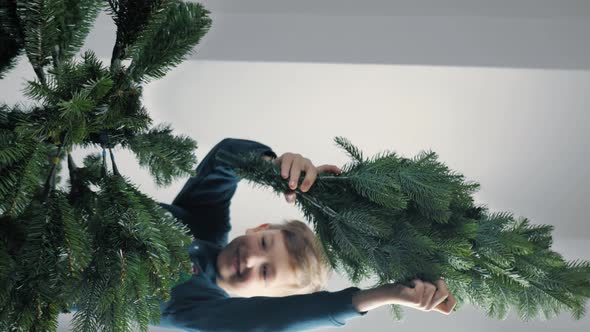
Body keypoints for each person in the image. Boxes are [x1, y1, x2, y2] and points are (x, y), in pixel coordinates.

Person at [155, 138, 457, 331]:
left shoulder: (199, 309)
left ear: (267, 297)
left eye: (265, 272)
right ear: (259, 229)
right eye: (264, 243)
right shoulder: (205, 225)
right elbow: (225, 159)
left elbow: (272, 319)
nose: (252, 258)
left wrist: (386, 294)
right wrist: (276, 171)